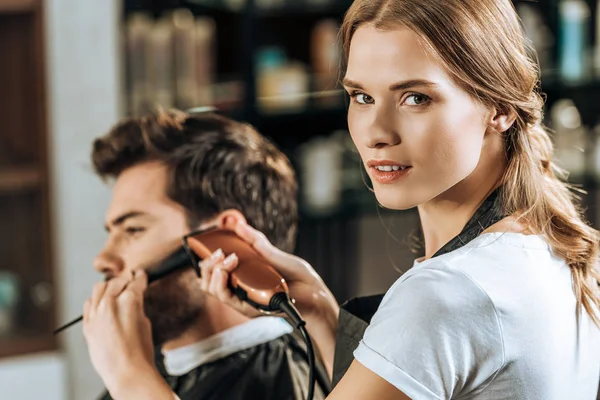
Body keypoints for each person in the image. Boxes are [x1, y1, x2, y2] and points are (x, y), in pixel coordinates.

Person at [82, 0, 600, 399]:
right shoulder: (539, 253)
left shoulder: (446, 294)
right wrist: (320, 313)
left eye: (415, 97)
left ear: (499, 108)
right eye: (361, 96)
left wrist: (131, 378)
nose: (375, 131)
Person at [83, 109, 328, 400]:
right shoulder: (144, 373)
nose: (103, 260)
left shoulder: (286, 380)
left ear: (223, 242)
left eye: (133, 230)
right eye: (111, 233)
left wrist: (131, 380)